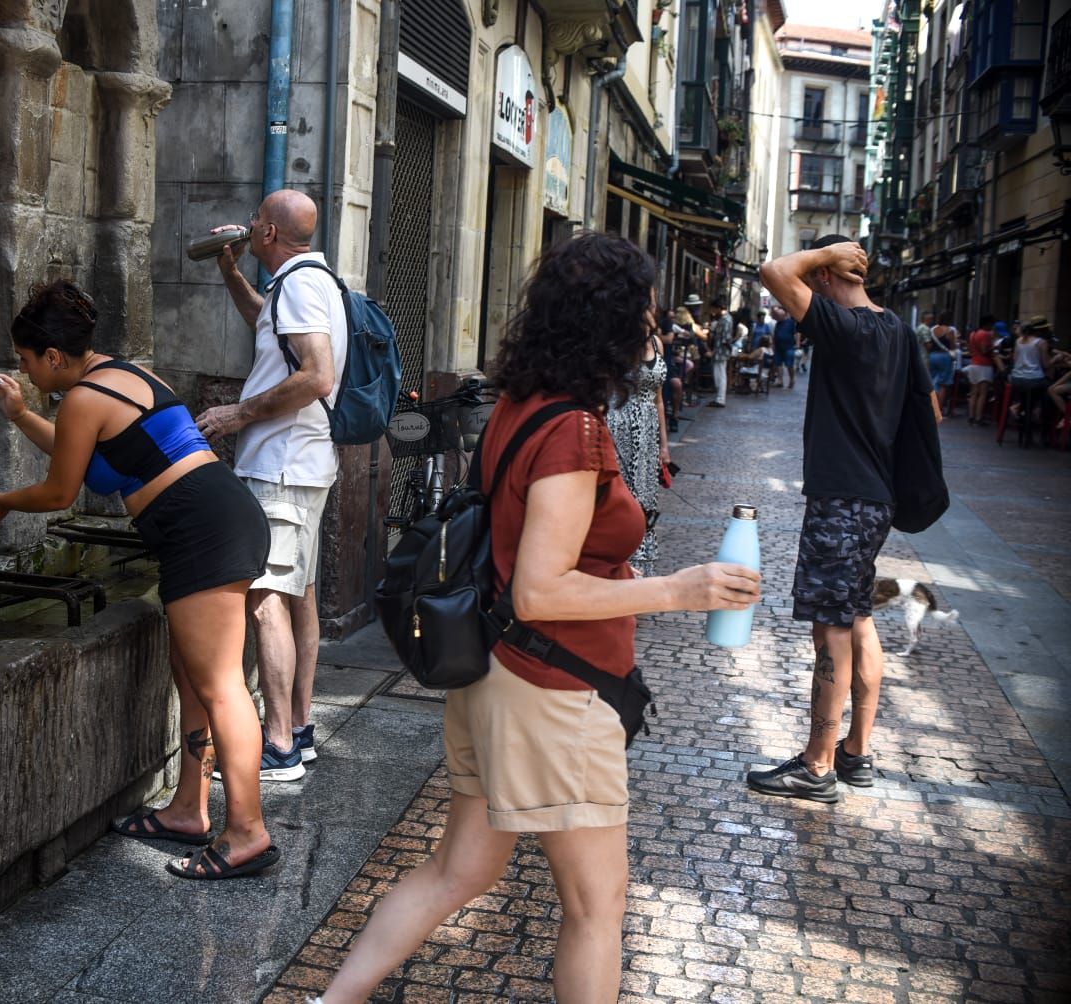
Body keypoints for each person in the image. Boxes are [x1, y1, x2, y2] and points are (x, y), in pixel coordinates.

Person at [310, 233, 761, 1004]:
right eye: (645, 307)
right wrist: (678, 591)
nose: (655, 322)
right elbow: (543, 591)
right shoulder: (574, 429)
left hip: (497, 677)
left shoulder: (523, 403)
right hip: (553, 689)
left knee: (460, 869)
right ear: (612, 319)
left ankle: (332, 1000)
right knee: (597, 907)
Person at [0, 279, 278, 879]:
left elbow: (61, 490)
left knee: (220, 686)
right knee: (193, 676)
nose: (26, 372)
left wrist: (2, 500)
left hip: (203, 528)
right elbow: (80, 457)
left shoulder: (85, 397)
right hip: (212, 519)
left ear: (52, 356)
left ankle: (247, 834)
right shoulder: (118, 375)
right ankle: (189, 809)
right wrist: (21, 415)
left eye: (27, 362)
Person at [748, 235, 924, 803]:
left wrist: (823, 256)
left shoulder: (845, 329)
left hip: (842, 500)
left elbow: (773, 271)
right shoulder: (897, 328)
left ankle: (817, 765)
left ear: (825, 276)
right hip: (874, 497)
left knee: (832, 629)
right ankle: (855, 751)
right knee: (858, 620)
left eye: (817, 272)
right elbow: (932, 409)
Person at [195, 189, 347, 780]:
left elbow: (316, 374)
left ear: (269, 233)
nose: (250, 223)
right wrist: (231, 272)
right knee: (298, 596)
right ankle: (300, 730)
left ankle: (279, 744)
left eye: (257, 219)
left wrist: (239, 414)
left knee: (264, 601)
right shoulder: (307, 281)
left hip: (283, 465)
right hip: (302, 463)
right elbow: (271, 326)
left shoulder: (303, 285)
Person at [607, 324, 670, 576]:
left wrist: (664, 445)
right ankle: (618, 563)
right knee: (621, 497)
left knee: (645, 499)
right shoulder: (617, 339)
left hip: (647, 433)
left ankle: (640, 564)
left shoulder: (656, 343)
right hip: (619, 425)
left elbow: (659, 399)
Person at [1009, 316, 1055, 447]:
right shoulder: (1041, 342)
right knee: (1048, 391)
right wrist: (1056, 359)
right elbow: (1046, 364)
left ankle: (1020, 408)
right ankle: (1037, 412)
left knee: (1028, 397)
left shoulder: (1018, 341)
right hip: (1034, 379)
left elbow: (1015, 360)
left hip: (1017, 379)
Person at [965, 314, 997, 426]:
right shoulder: (985, 334)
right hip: (984, 365)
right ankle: (979, 418)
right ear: (987, 324)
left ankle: (971, 416)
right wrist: (993, 347)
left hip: (974, 364)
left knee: (974, 392)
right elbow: (984, 350)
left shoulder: (973, 334)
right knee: (983, 393)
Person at [926, 313, 958, 414]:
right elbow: (952, 346)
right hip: (944, 356)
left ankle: (931, 406)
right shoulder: (950, 331)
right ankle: (938, 409)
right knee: (943, 384)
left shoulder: (932, 329)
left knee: (933, 381)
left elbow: (929, 345)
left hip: (933, 356)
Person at [706, 300, 735, 408]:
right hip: (720, 351)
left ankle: (720, 399)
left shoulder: (726, 319)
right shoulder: (724, 319)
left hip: (721, 352)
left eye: (713, 309)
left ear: (718, 308)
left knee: (720, 375)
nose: (712, 311)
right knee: (719, 374)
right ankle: (719, 398)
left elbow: (725, 339)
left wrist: (727, 349)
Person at [771, 306, 799, 388]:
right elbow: (775, 335)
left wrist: (797, 344)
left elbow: (796, 333)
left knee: (789, 365)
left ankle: (792, 380)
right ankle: (780, 381)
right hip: (778, 347)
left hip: (789, 347)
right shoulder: (778, 324)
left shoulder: (790, 322)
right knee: (778, 364)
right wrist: (773, 344)